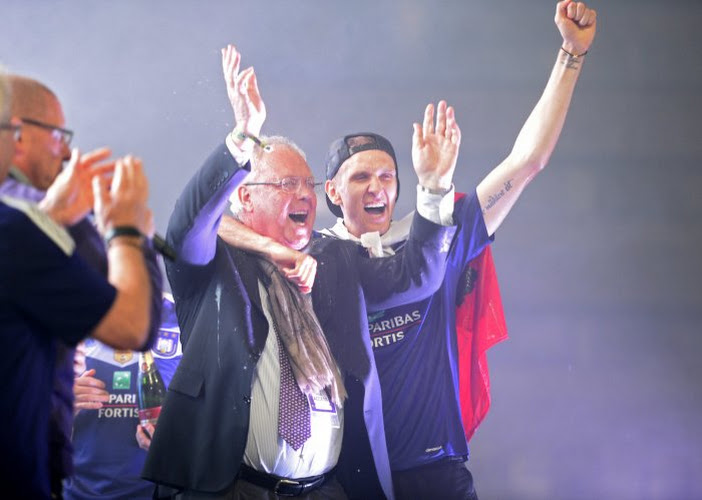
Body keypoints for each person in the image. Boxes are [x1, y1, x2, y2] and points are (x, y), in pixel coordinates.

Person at [219, 2, 597, 498]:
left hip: (437, 468)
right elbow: (218, 227)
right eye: (360, 177)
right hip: (350, 475)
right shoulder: (310, 254)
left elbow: (527, 162)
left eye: (387, 177)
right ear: (331, 192)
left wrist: (570, 55)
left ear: (402, 187)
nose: (376, 187)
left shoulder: (437, 231)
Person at [142, 45, 458, 499]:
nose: (305, 195)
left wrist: (433, 188)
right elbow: (186, 225)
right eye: (286, 184)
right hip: (234, 489)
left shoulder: (335, 261)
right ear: (246, 198)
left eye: (307, 184)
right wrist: (244, 138)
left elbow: (419, 278)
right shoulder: (215, 265)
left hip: (328, 488)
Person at [0, 47, 156, 499]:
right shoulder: (11, 231)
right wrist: (126, 229)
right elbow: (131, 326)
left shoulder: (21, 226)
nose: (66, 148)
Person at [63, 293, 182, 500]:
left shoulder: (182, 316)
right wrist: (62, 403)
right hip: (79, 491)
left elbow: (209, 413)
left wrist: (174, 443)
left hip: (156, 491)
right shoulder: (67, 316)